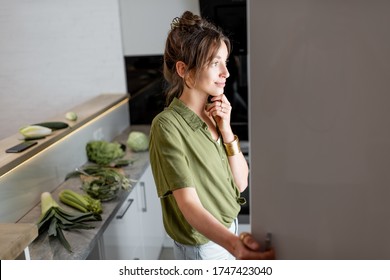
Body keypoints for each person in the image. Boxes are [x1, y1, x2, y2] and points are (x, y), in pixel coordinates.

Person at [149, 11, 275, 260]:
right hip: (203, 249)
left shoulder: (214, 115)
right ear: (184, 69)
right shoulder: (167, 126)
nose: (226, 73)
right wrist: (234, 245)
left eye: (225, 62)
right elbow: (189, 206)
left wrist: (226, 130)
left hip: (229, 232)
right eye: (215, 63)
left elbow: (241, 183)